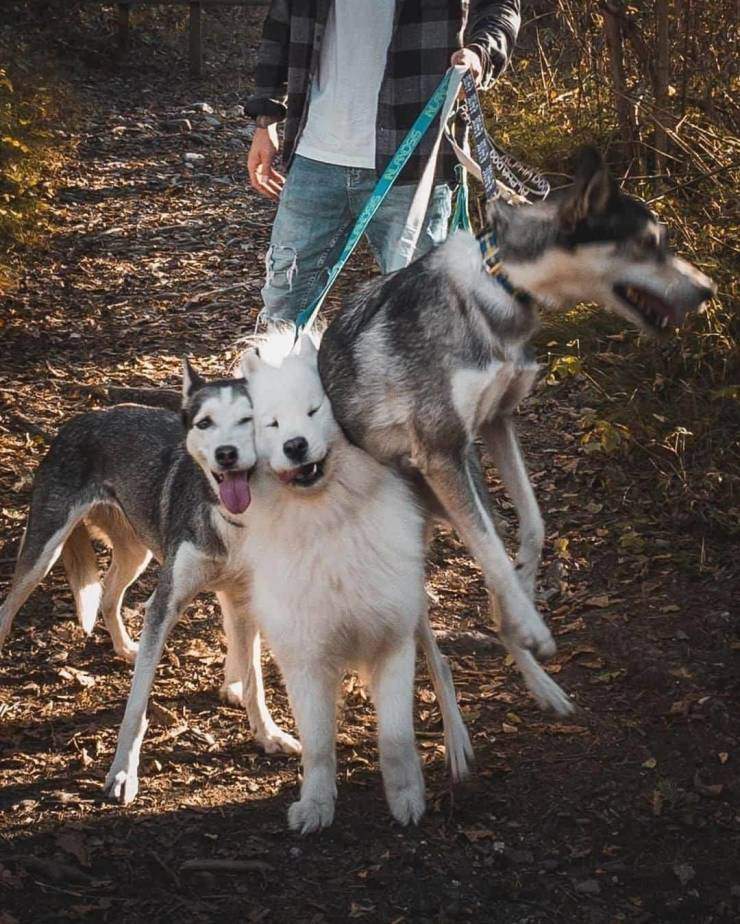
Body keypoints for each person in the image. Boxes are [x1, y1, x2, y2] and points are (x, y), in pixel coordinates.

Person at [245, 1, 521, 323]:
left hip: (416, 158)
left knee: (424, 315)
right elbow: (281, 25)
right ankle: (281, 374)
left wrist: (480, 54)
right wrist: (266, 120)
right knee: (283, 308)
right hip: (314, 156)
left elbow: (500, 9)